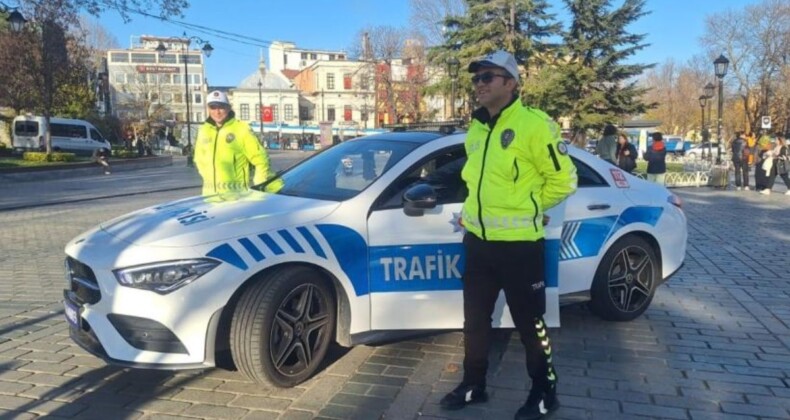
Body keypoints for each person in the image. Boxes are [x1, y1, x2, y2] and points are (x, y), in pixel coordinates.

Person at [439, 50, 577, 420]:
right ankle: (473, 384)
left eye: (488, 77)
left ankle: (545, 391)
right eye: (476, 78)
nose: (479, 84)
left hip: (519, 248)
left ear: (510, 83)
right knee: (475, 322)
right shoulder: (477, 127)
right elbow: (475, 182)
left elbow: (564, 180)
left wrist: (528, 207)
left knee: (531, 325)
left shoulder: (535, 125)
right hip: (479, 244)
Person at [194, 90, 275, 195]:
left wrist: (260, 185)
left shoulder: (241, 129)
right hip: (209, 196)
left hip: (235, 196)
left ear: (228, 108)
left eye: (221, 107)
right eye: (213, 107)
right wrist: (209, 177)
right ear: (208, 109)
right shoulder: (204, 130)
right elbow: (199, 159)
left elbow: (261, 159)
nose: (217, 112)